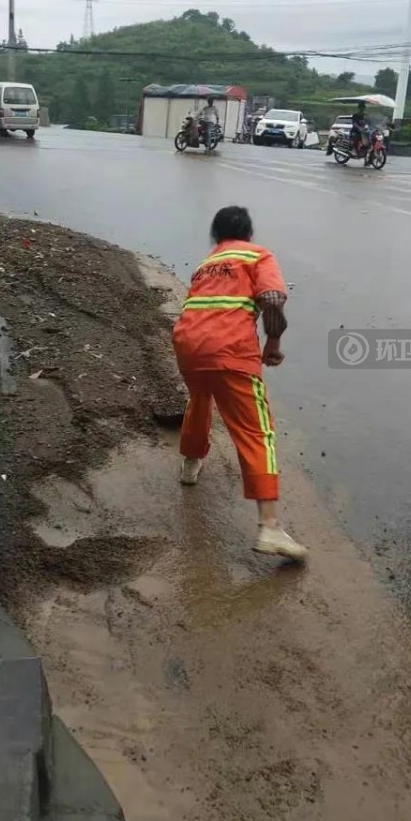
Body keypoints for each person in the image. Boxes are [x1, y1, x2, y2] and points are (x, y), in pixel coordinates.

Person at [172, 206, 307, 560]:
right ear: (248, 232)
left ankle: (190, 464)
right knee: (255, 431)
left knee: (200, 399)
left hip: (188, 344)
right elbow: (272, 298)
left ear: (216, 235)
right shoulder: (257, 254)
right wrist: (273, 343)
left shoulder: (206, 264)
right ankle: (271, 528)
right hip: (230, 348)